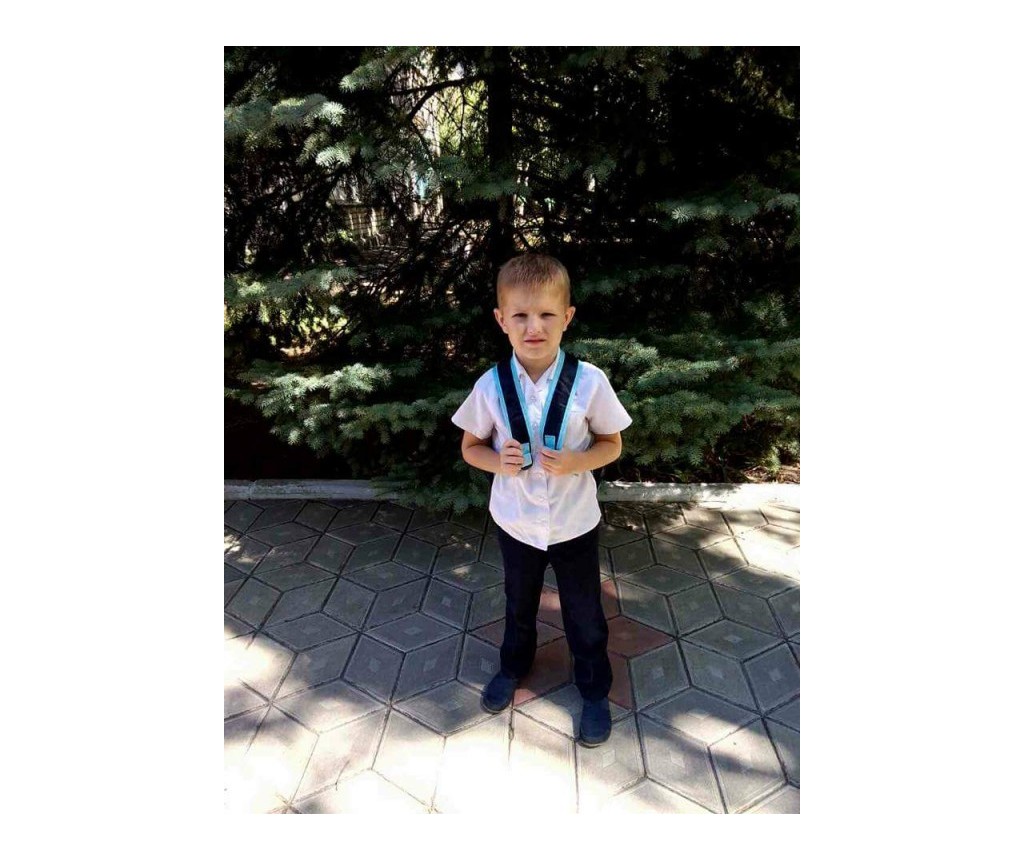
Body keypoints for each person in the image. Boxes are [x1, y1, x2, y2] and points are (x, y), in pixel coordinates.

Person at [450, 253, 633, 746]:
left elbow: (612, 443)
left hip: (574, 522)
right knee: (519, 602)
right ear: (501, 320)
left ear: (567, 317)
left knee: (584, 610)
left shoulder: (589, 382)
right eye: (521, 315)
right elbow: (470, 448)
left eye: (547, 314)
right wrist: (498, 462)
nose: (534, 327)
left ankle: (593, 689)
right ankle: (514, 666)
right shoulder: (490, 386)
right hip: (516, 522)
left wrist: (578, 462)